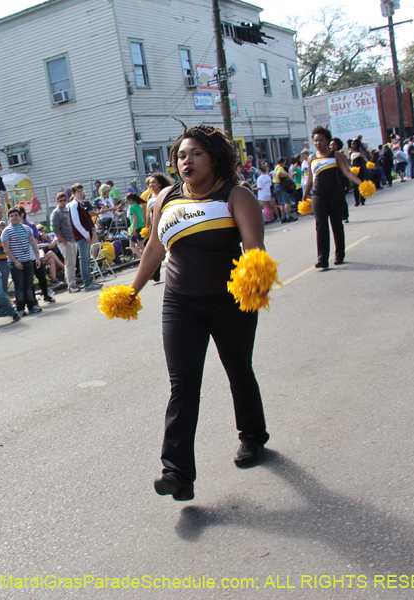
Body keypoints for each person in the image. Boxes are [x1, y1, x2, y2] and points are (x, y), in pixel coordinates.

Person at [130, 124, 270, 502]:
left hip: (229, 301)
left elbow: (255, 249)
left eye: (195, 154)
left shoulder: (235, 196)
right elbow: (154, 252)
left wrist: (255, 281)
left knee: (238, 371)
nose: (186, 161)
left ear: (213, 158)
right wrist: (131, 293)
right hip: (180, 304)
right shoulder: (166, 200)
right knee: (183, 385)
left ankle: (253, 436)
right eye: (180, 155)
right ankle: (177, 472)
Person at [302, 126, 364, 269]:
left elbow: (348, 173)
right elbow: (310, 180)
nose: (318, 143)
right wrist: (305, 198)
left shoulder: (336, 156)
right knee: (320, 225)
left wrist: (362, 184)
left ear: (327, 140)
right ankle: (322, 259)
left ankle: (339, 254)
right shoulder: (312, 158)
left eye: (321, 140)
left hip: (335, 193)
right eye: (316, 141)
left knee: (336, 223)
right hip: (318, 195)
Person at [1, 207, 42, 315]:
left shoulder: (27, 228)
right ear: (9, 218)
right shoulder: (6, 231)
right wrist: (15, 262)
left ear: (21, 216)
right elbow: (6, 249)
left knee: (29, 286)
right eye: (12, 216)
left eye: (16, 215)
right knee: (19, 287)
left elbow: (33, 243)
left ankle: (31, 306)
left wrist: (37, 258)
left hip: (28, 261)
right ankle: (20, 308)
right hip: (15, 264)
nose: (14, 218)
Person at [67, 183, 100, 292]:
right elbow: (76, 222)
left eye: (81, 191)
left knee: (86, 259)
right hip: (82, 236)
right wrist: (86, 234)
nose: (81, 193)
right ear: (73, 193)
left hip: (86, 235)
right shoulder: (74, 205)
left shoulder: (80, 204)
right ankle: (87, 282)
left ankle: (89, 281)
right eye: (78, 191)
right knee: (84, 259)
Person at [143, 173, 172, 283]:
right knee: (153, 248)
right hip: (153, 226)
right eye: (150, 183)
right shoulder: (150, 197)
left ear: (160, 184)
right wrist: (147, 224)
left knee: (165, 247)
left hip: (164, 224)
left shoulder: (164, 194)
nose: (151, 184)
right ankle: (155, 273)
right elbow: (149, 212)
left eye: (153, 182)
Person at [49, 191, 78, 292]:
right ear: (57, 202)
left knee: (73, 263)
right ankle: (71, 285)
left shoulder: (68, 210)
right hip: (65, 242)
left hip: (73, 240)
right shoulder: (56, 213)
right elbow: (56, 230)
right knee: (69, 263)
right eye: (60, 200)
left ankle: (73, 282)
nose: (63, 202)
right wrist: (64, 241)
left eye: (64, 200)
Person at [272, 157, 297, 223]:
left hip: (276, 185)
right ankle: (288, 216)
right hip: (281, 184)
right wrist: (287, 175)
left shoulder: (276, 167)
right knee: (286, 201)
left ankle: (283, 217)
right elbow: (279, 174)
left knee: (281, 203)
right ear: (283, 162)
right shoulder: (280, 168)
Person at [349, 138, 371, 207]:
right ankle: (357, 201)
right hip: (354, 170)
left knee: (361, 184)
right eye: (352, 144)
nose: (353, 145)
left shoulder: (360, 151)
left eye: (354, 144)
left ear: (357, 144)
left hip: (361, 169)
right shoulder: (351, 152)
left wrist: (369, 163)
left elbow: (364, 157)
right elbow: (350, 161)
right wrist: (350, 167)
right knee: (355, 186)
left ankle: (362, 200)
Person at [126, 193, 146, 258]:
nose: (127, 202)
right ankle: (147, 256)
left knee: (132, 246)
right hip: (141, 226)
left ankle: (142, 258)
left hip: (135, 227)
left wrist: (133, 229)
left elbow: (135, 219)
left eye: (127, 200)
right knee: (141, 244)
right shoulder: (139, 206)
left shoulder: (131, 207)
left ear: (131, 200)